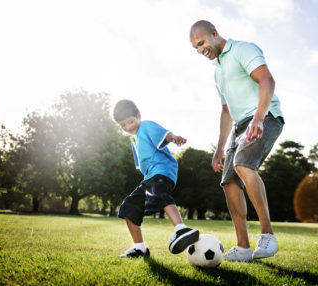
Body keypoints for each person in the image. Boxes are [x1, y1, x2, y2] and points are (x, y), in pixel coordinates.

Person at [190, 20, 284, 262]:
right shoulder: (217, 72)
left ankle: (268, 235)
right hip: (240, 124)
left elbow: (267, 80)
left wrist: (259, 119)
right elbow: (225, 110)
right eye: (195, 48)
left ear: (214, 33)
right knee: (229, 181)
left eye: (201, 43)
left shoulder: (243, 49)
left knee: (243, 164)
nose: (201, 50)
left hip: (265, 116)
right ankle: (243, 248)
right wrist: (219, 148)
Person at [113, 99, 199, 258]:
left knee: (159, 192)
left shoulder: (146, 126)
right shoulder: (133, 139)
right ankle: (140, 249)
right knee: (127, 207)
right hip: (149, 177)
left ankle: (181, 229)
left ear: (138, 115)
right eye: (123, 125)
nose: (128, 127)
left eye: (131, 121)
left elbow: (165, 134)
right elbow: (142, 163)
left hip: (162, 170)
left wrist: (174, 138)